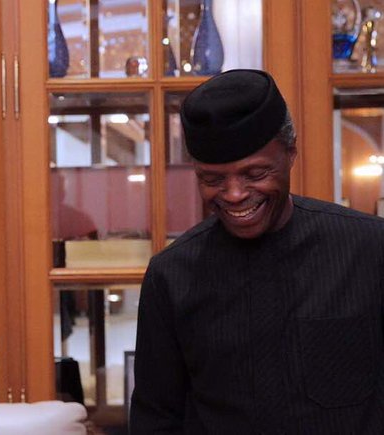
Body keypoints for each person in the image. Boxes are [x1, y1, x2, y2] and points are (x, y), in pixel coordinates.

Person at [129, 69, 384, 433]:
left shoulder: (371, 251)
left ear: (291, 152)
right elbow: (155, 419)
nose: (234, 194)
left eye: (255, 173)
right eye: (213, 179)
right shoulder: (171, 276)